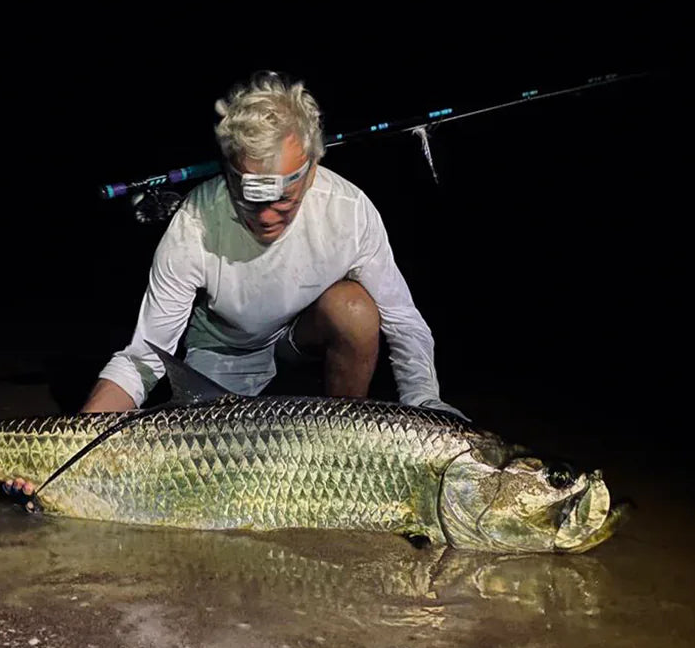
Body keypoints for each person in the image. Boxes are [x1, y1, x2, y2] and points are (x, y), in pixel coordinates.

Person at [79, 71, 465, 419]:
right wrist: (76, 435)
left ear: (312, 169)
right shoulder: (193, 224)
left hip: (299, 340)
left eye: (283, 198)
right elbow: (143, 358)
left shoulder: (349, 210)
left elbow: (403, 320)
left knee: (355, 310)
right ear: (229, 171)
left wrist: (426, 402)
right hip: (224, 354)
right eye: (250, 197)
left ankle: (338, 439)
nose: (265, 217)